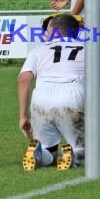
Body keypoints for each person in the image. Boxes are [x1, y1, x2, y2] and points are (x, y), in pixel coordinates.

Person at [18, 14, 85, 171]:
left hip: (41, 98)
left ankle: (38, 152)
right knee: (87, 154)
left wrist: (23, 116)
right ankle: (73, 155)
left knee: (49, 151)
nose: (45, 34)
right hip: (71, 96)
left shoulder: (38, 49)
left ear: (55, 31)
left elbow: (24, 80)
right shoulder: (87, 49)